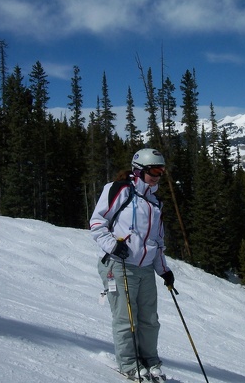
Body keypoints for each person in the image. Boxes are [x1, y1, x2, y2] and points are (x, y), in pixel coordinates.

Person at [90, 148, 175, 382]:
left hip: (145, 267)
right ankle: (128, 363)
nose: (158, 175)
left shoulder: (156, 202)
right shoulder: (119, 190)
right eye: (154, 170)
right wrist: (113, 245)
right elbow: (97, 222)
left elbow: (157, 241)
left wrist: (164, 271)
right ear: (139, 171)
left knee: (149, 318)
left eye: (162, 170)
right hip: (118, 264)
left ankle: (150, 360)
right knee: (126, 318)